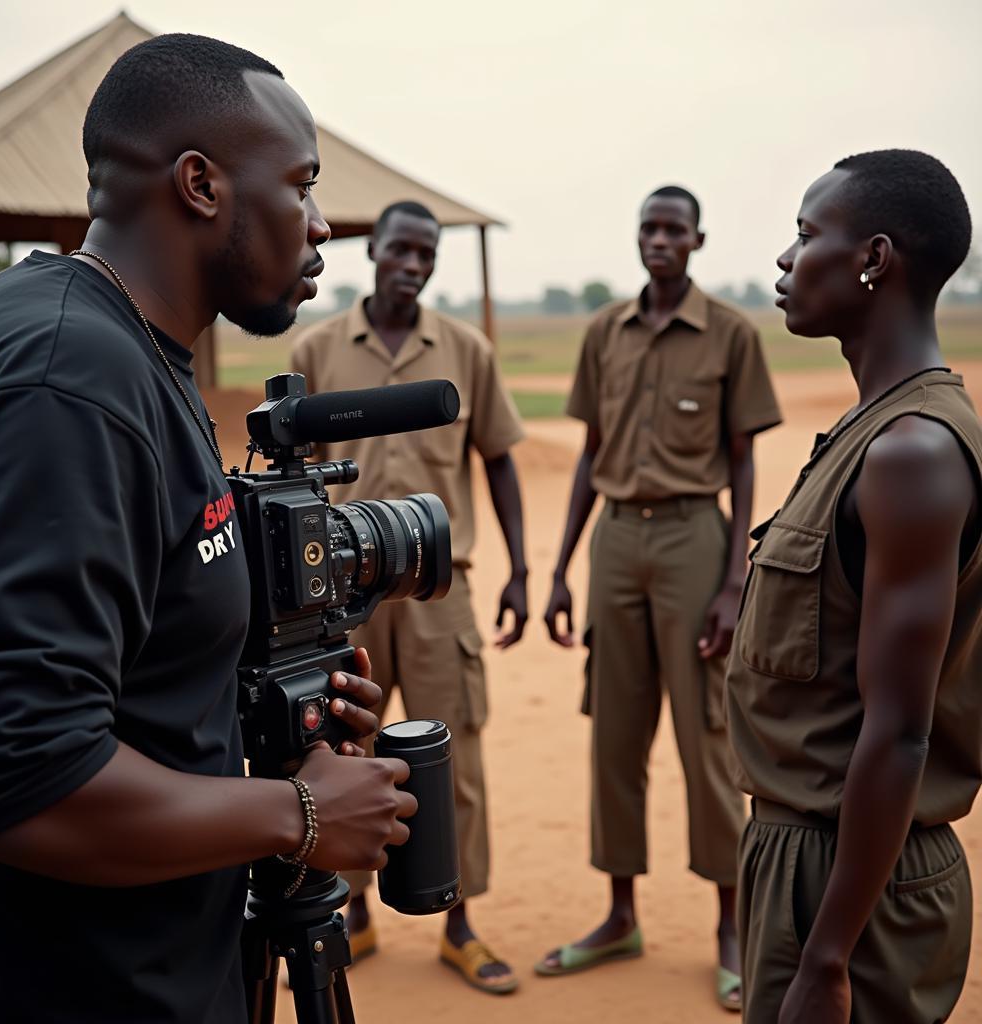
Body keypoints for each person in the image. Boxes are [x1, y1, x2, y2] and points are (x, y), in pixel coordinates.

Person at [0, 35, 418, 1024]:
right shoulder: (70, 378)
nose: (323, 225)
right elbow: (12, 779)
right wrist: (298, 815)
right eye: (301, 185)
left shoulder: (114, 346)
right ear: (201, 184)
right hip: (92, 987)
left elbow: (131, 656)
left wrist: (275, 697)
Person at [726, 149, 980, 1024]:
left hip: (848, 881)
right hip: (809, 859)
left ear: (873, 258)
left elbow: (901, 732)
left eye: (805, 235)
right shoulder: (871, 431)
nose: (785, 260)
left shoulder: (913, 451)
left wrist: (826, 959)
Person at [537, 186, 782, 1011]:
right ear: (638, 237)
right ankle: (620, 915)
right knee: (615, 734)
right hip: (617, 542)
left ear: (698, 240)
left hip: (692, 540)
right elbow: (588, 452)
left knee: (705, 737)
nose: (660, 240)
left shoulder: (731, 334)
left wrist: (734, 577)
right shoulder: (604, 330)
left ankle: (728, 927)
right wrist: (564, 566)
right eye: (650, 227)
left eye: (675, 229)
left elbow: (743, 461)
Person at [290, 200, 528, 994]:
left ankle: (458, 920)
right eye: (400, 248)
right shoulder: (317, 348)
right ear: (375, 253)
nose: (413, 262)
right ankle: (349, 907)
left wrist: (522, 570)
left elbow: (498, 457)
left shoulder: (465, 350)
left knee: (451, 756)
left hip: (438, 590)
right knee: (338, 747)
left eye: (426, 252)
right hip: (340, 593)